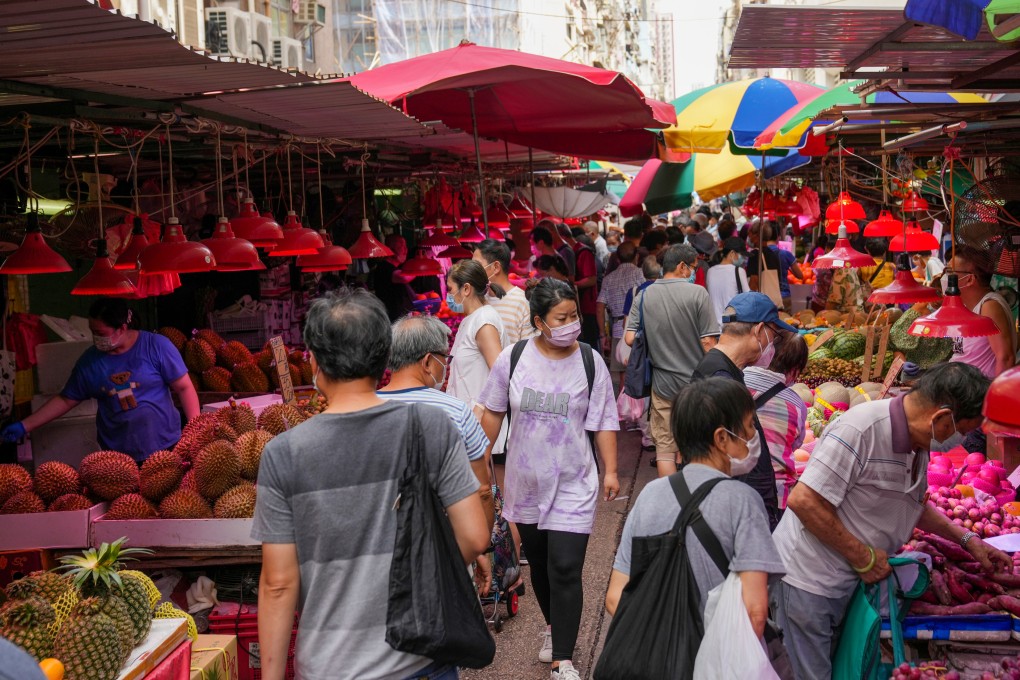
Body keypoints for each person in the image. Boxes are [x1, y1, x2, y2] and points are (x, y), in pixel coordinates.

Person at [252, 289, 491, 680]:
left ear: (313, 359)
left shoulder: (282, 453)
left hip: (329, 666)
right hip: (420, 656)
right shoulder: (430, 426)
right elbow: (474, 537)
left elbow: (278, 584)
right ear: (384, 357)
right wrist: (421, 575)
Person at [772, 362, 1010, 680]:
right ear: (940, 418)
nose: (958, 440)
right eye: (960, 431)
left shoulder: (917, 443)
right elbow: (804, 500)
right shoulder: (861, 429)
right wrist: (863, 555)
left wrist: (970, 541)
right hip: (808, 582)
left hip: (847, 582)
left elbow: (912, 505)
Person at [479, 278, 620, 680]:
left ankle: (563, 660)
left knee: (565, 566)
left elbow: (605, 420)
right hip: (526, 483)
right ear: (539, 321)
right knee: (538, 563)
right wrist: (476, 466)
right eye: (562, 318)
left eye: (574, 315)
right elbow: (491, 414)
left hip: (575, 480)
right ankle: (555, 627)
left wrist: (610, 469)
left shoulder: (590, 362)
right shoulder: (513, 358)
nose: (572, 324)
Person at [605, 378, 785, 647]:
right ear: (722, 438)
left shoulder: (649, 496)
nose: (752, 438)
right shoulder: (743, 501)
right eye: (749, 427)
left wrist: (667, 650)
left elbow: (615, 596)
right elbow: (755, 613)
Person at [2, 298, 199, 462]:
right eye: (92, 331)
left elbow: (184, 388)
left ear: (122, 328)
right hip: (117, 458)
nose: (96, 338)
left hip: (166, 447)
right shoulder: (90, 361)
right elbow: (65, 400)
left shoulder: (156, 346)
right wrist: (25, 425)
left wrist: (195, 431)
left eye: (100, 333)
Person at [692, 292, 796, 529]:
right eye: (774, 335)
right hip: (738, 519)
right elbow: (726, 457)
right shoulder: (721, 380)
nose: (773, 344)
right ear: (759, 331)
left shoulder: (721, 369)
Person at [378, 314, 493, 524]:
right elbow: (482, 490)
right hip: (446, 536)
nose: (446, 366)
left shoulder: (367, 408)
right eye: (445, 359)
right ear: (428, 361)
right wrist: (484, 547)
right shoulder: (456, 410)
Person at [625, 244, 720, 477]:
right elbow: (708, 344)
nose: (695, 274)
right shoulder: (698, 293)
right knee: (695, 445)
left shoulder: (644, 295)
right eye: (694, 268)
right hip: (697, 385)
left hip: (662, 385)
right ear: (681, 266)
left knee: (665, 450)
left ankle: (670, 500)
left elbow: (629, 339)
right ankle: (694, 497)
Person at [744, 333, 809, 510]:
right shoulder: (797, 405)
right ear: (795, 370)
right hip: (775, 494)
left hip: (734, 486)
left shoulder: (735, 381)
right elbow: (795, 444)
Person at [446, 260, 507, 416]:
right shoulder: (471, 319)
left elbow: (500, 376)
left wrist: (480, 410)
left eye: (450, 289)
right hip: (467, 420)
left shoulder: (484, 322)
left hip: (481, 426)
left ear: (466, 289)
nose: (448, 295)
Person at [947, 248, 1017, 378]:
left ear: (969, 279)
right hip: (958, 385)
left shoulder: (989, 305)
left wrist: (996, 395)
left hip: (977, 392)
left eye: (950, 272)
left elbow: (1005, 358)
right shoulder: (966, 306)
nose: (946, 277)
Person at [596, 242, 646, 383]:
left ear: (617, 258)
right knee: (640, 372)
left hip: (618, 330)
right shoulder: (640, 274)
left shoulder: (608, 279)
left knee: (623, 376)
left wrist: (602, 335)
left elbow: (599, 307)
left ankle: (625, 404)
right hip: (639, 328)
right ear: (636, 256)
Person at [473, 239, 537, 343]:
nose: (472, 270)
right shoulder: (478, 301)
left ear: (496, 267)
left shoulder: (522, 302)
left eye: (477, 265)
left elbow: (529, 348)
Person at [559, 224, 599, 347]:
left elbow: (592, 279)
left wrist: (570, 284)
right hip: (577, 305)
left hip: (587, 306)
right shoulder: (569, 252)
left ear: (564, 237)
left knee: (588, 342)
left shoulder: (583, 252)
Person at [369, 234, 415, 321]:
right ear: (390, 249)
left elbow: (410, 293)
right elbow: (404, 278)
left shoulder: (397, 268)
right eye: (401, 246)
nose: (406, 250)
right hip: (389, 319)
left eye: (406, 246)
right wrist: (420, 269)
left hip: (399, 317)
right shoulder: (384, 267)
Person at [706, 237, 750, 322]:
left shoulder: (710, 271)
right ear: (732, 253)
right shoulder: (739, 271)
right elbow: (748, 297)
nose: (743, 259)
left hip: (714, 326)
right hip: (731, 326)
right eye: (742, 255)